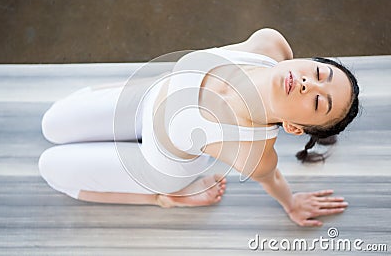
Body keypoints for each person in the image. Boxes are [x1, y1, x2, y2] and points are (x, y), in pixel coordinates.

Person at [38, 28, 359, 227]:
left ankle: (165, 198)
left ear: (293, 127)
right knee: (51, 124)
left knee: (49, 167)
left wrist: (292, 204)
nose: (307, 84)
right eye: (319, 73)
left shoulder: (254, 152)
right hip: (147, 100)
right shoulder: (269, 45)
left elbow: (272, 177)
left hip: (159, 159)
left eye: (319, 103)